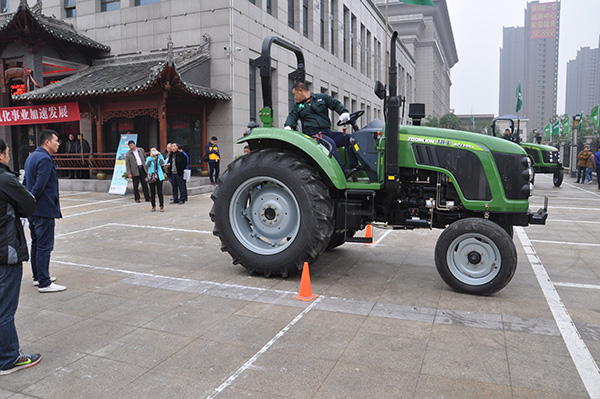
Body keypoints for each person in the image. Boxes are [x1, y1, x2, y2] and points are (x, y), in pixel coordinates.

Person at [0, 138, 41, 375]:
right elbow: (29, 205)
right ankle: (8, 358)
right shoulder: (5, 179)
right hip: (6, 252)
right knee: (5, 308)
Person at [23, 130, 66, 293]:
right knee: (44, 246)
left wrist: (28, 203)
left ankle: (38, 276)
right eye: (56, 141)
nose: (58, 144)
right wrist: (32, 199)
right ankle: (44, 282)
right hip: (43, 209)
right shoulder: (45, 158)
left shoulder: (31, 157)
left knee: (36, 243)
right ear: (47, 142)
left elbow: (26, 181)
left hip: (33, 211)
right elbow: (39, 185)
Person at [284, 82, 357, 177]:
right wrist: (288, 126)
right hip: (313, 135)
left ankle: (354, 167)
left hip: (327, 132)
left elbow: (335, 104)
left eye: (294, 94)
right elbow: (292, 116)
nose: (294, 97)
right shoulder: (298, 106)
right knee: (330, 144)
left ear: (300, 91)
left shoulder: (321, 98)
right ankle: (343, 172)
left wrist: (343, 112)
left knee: (350, 139)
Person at [145, 147, 166, 212]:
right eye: (152, 151)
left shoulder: (159, 157)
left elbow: (163, 163)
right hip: (152, 176)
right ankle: (153, 205)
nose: (154, 152)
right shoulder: (149, 158)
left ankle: (161, 205)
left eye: (155, 151)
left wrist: (159, 155)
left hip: (159, 176)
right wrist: (152, 157)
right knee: (152, 192)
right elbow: (147, 165)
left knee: (160, 192)